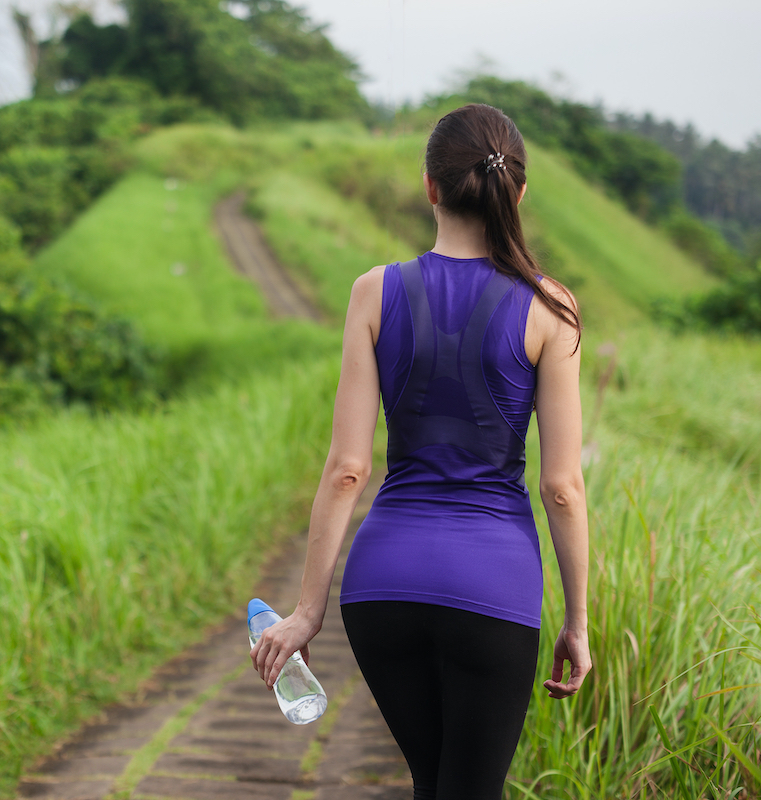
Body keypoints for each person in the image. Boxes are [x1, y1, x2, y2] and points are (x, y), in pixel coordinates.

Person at [250, 103, 592, 800]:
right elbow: (562, 487)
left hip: (381, 589)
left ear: (430, 187)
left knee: (434, 783)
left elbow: (348, 467)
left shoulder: (374, 292)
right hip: (494, 588)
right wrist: (578, 621)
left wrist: (308, 610)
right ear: (518, 193)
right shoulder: (550, 308)